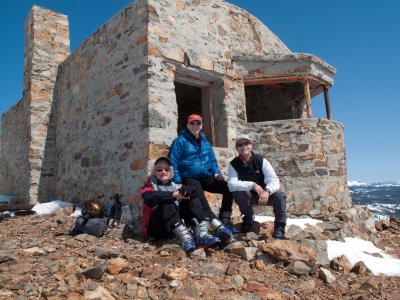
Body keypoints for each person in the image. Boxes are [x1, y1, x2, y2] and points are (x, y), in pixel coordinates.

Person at [139, 157, 233, 252]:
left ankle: (201, 234)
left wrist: (189, 190)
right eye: (159, 170)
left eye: (166, 169)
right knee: (166, 201)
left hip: (172, 229)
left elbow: (191, 191)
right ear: (154, 172)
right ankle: (186, 239)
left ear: (170, 171)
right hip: (156, 229)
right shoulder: (149, 185)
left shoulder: (174, 185)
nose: (163, 172)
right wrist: (173, 195)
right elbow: (148, 197)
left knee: (192, 197)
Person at [168, 114, 238, 233]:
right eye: (192, 123)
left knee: (228, 188)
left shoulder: (205, 142)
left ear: (201, 125)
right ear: (187, 125)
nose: (195, 126)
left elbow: (212, 159)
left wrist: (216, 172)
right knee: (200, 196)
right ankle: (215, 223)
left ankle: (225, 219)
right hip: (189, 177)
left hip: (206, 176)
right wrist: (178, 182)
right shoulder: (179, 141)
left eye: (198, 123)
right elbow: (173, 162)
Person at [227, 134, 287, 238]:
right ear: (236, 148)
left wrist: (267, 191)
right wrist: (253, 185)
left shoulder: (261, 160)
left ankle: (280, 225)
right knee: (237, 192)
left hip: (265, 195)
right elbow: (232, 185)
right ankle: (248, 216)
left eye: (246, 143)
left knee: (279, 195)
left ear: (251, 145)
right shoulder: (233, 164)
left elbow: (273, 180)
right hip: (250, 197)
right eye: (240, 145)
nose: (244, 146)